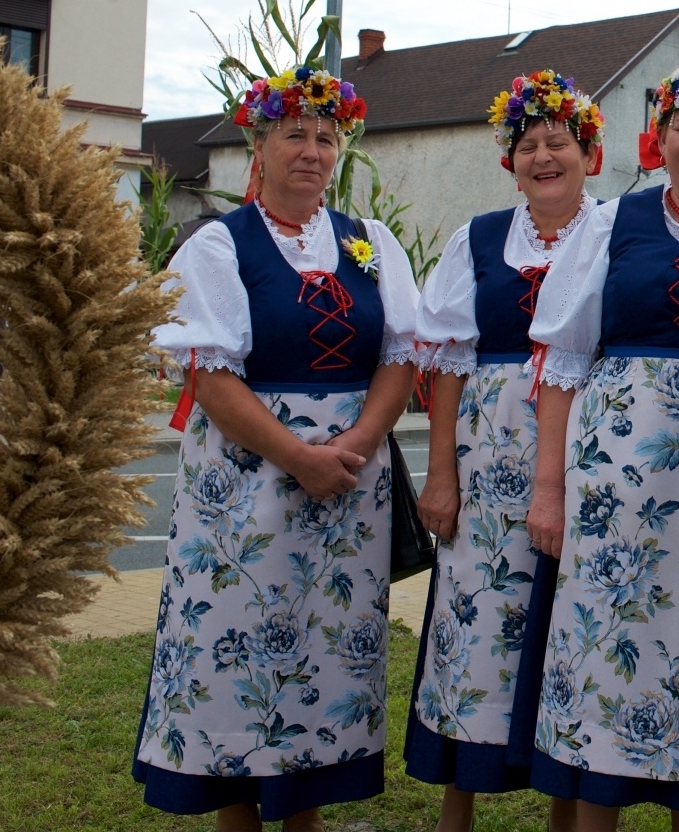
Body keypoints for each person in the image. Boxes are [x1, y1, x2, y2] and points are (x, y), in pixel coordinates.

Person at [134, 67, 420, 832]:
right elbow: (211, 375)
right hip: (244, 485)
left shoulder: (369, 242)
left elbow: (400, 354)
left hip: (348, 488)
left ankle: (306, 821)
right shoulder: (219, 246)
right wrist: (298, 456)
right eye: (295, 134)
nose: (312, 151)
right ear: (257, 145)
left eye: (326, 137)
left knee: (322, 657)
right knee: (237, 654)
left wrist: (357, 442)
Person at [524, 62, 679, 830]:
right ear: (659, 140)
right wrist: (550, 488)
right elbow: (562, 360)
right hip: (613, 494)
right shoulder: (610, 223)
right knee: (607, 649)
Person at [405, 72, 603, 832]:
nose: (544, 156)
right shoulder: (479, 239)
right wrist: (440, 475)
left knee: (569, 632)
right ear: (510, 163)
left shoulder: (616, 232)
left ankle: (565, 813)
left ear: (589, 154)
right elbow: (447, 362)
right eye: (529, 146)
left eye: (559, 142)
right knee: (474, 627)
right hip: (487, 466)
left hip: (584, 458)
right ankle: (457, 812)